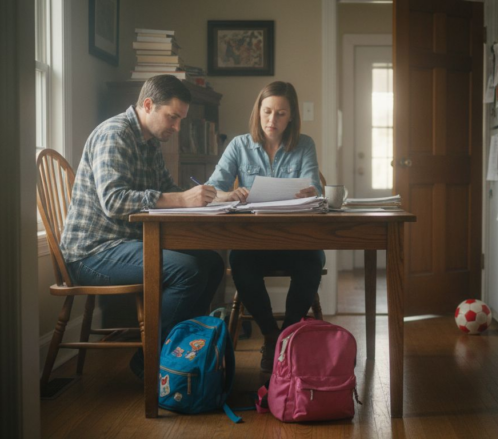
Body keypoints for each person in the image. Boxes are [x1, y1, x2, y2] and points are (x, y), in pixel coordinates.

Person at [60, 75, 225, 380]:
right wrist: (180, 198)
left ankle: (181, 353)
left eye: (180, 119)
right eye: (172, 117)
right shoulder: (115, 134)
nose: (176, 127)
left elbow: (168, 190)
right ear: (148, 105)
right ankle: (149, 361)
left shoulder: (149, 143)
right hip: (91, 253)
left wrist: (211, 198)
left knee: (212, 262)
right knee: (188, 271)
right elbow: (114, 201)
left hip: (125, 244)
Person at [207, 81, 325, 372]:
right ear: (258, 112)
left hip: (294, 240)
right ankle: (272, 335)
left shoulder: (304, 144)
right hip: (255, 241)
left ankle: (290, 333)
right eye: (268, 112)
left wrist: (312, 191)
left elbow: (314, 186)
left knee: (313, 260)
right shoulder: (238, 145)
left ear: (292, 116)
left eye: (281, 114)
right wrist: (228, 194)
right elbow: (211, 189)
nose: (273, 120)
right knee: (239, 261)